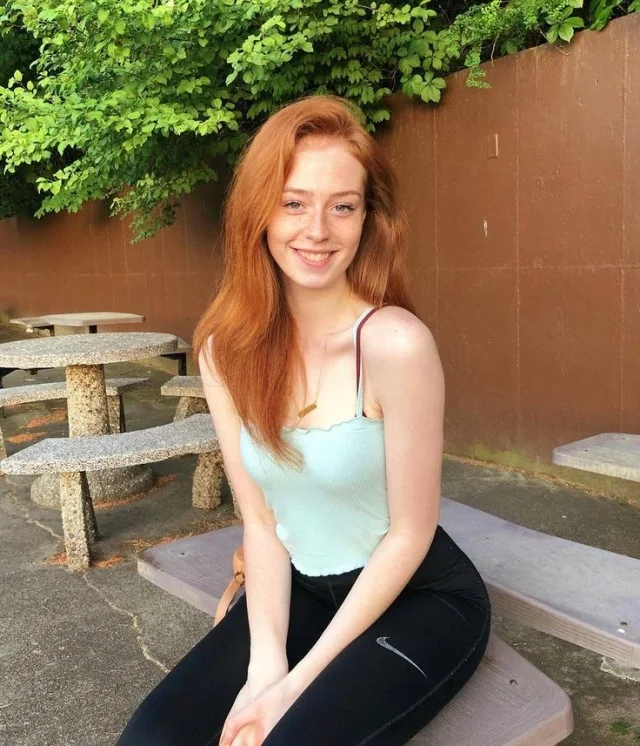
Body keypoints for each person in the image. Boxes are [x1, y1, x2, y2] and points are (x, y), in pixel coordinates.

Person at [117, 94, 490, 746]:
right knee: (152, 738)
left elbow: (409, 535)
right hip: (302, 588)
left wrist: (294, 687)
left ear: (367, 219)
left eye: (342, 206)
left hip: (418, 596)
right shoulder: (224, 353)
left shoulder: (394, 344)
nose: (318, 229)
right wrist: (265, 667)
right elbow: (262, 523)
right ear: (259, 212)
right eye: (294, 202)